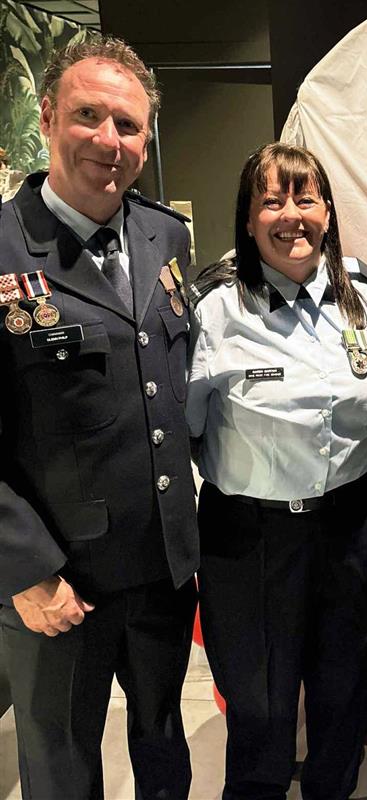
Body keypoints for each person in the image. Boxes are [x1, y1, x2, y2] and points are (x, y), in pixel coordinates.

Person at [0, 36, 198, 799]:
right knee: (60, 763)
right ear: (48, 117)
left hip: (160, 568)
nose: (109, 141)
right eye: (89, 116)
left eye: (128, 125)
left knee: (163, 742)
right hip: (59, 579)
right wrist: (24, 570)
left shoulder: (164, 234)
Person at [186, 142, 367, 800]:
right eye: (271, 200)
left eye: (305, 198)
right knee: (260, 710)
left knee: (344, 699)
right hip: (252, 540)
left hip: (354, 530)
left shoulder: (364, 293)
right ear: (247, 220)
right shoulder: (213, 309)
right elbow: (184, 428)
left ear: (329, 211)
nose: (290, 215)